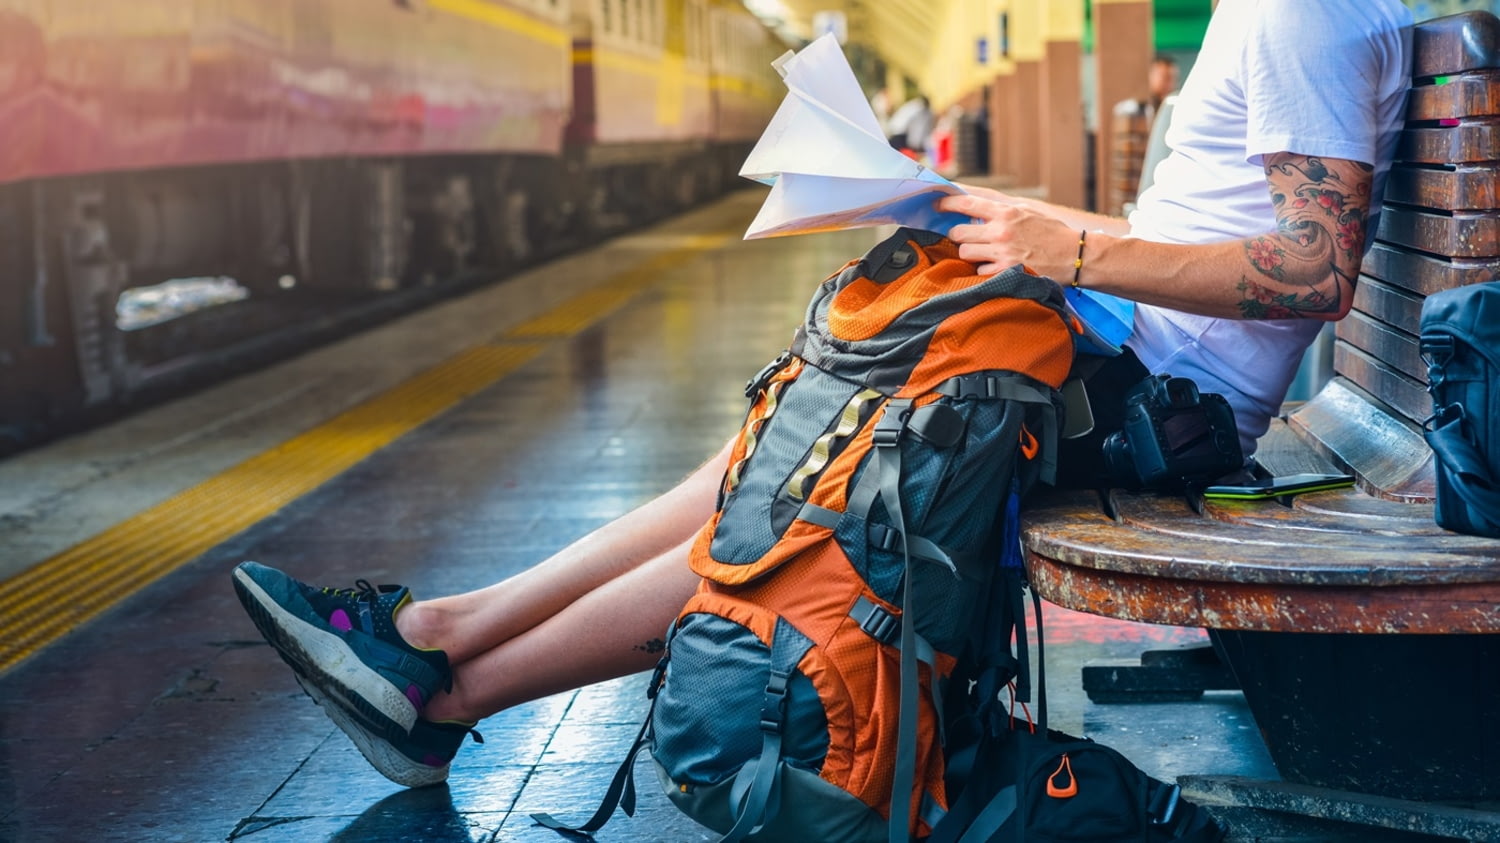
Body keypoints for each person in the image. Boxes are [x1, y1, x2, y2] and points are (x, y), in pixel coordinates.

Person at [232, 0, 1413, 790]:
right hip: (1127, 358)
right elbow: (1203, 237)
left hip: (1149, 403)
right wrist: (970, 209)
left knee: (802, 492)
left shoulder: (1296, 13)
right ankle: (439, 636)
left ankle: (443, 691)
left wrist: (1065, 253)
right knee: (768, 452)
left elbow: (1310, 271)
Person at [1108, 54, 1180, 215]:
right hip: (1139, 182)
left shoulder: (1178, 109)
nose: (1167, 81)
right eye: (1163, 76)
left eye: (1171, 77)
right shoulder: (1138, 112)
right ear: (1151, 76)